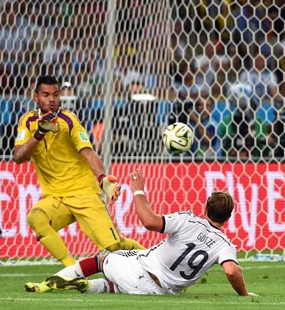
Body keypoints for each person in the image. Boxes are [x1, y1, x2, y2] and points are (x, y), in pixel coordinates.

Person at [25, 169, 257, 297]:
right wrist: (244, 294)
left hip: (141, 270)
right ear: (228, 218)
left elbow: (148, 221)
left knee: (102, 260)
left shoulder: (188, 219)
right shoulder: (225, 244)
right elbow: (230, 270)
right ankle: (88, 286)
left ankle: (51, 282)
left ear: (205, 208)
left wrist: (138, 192)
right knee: (113, 285)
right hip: (160, 293)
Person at [13, 75, 144, 275]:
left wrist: (102, 179)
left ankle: (152, 259)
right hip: (56, 198)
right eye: (46, 95)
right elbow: (18, 156)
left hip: (84, 194)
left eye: (55, 95)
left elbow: (88, 152)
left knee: (114, 247)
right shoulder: (27, 121)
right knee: (36, 218)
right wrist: (39, 134)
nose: (52, 100)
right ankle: (72, 271)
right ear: (35, 97)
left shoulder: (68, 120)